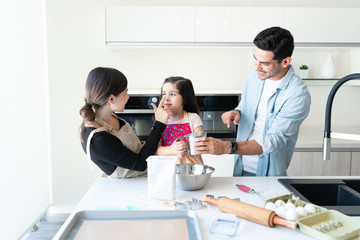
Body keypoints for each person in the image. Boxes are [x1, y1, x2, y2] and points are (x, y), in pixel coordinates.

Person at [193, 26, 311, 176]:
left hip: (268, 173)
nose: (257, 68)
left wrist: (227, 147)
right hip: (241, 166)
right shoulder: (254, 77)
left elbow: (275, 140)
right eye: (255, 60)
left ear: (285, 62)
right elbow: (246, 105)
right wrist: (237, 111)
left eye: (265, 63)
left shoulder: (298, 94)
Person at [79, 67, 170, 178]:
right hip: (128, 185)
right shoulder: (97, 139)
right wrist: (159, 124)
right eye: (125, 92)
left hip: (144, 175)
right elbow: (140, 164)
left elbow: (133, 149)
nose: (128, 97)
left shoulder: (110, 116)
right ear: (111, 99)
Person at [155, 76, 204, 164]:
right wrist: (171, 149)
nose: (166, 98)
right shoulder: (160, 121)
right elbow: (155, 150)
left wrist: (184, 148)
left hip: (190, 170)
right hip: (167, 169)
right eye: (164, 94)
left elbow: (200, 146)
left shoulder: (193, 118)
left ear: (185, 98)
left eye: (172, 94)